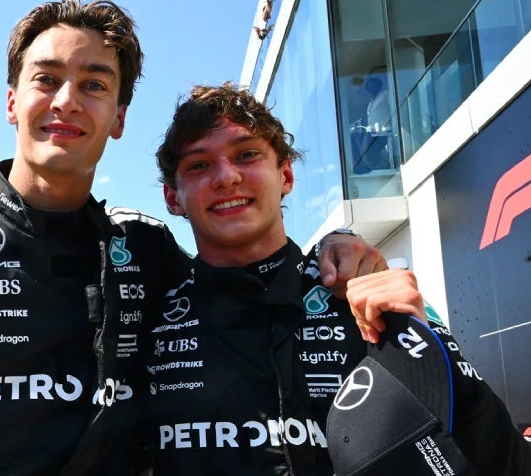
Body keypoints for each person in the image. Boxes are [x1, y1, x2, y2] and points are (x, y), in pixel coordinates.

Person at [0, 0, 385, 475]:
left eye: (95, 85)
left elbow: (252, 288)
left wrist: (336, 251)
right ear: (12, 101)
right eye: (46, 78)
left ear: (121, 117)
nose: (66, 101)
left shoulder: (147, 247)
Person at [144, 82, 530, 474]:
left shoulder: (367, 292)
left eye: (246, 155)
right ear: (173, 198)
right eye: (198, 164)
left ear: (286, 176)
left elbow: (502, 461)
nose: (226, 177)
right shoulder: (149, 320)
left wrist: (426, 346)